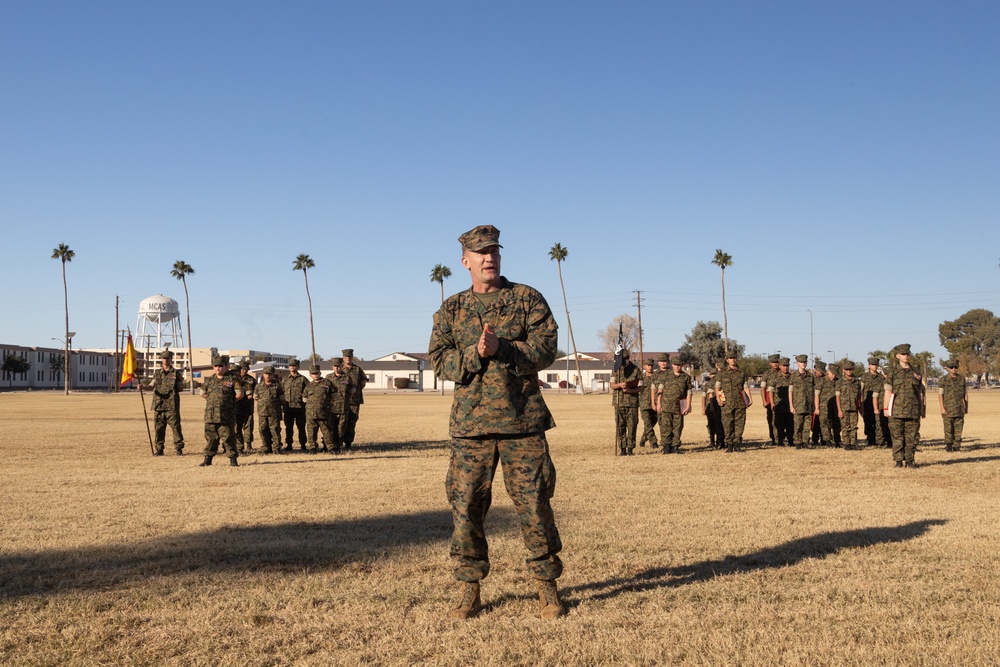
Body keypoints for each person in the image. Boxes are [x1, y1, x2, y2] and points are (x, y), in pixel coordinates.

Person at [428, 224, 565, 620]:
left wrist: (503, 347)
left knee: (535, 504)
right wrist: (475, 353)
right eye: (481, 252)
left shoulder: (526, 299)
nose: (489, 257)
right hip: (471, 428)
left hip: (522, 422)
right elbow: (440, 362)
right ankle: (469, 590)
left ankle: (547, 588)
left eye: (494, 250)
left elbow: (546, 349)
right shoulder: (451, 309)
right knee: (466, 505)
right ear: (465, 260)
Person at [883, 343, 924, 468]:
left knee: (911, 437)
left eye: (907, 354)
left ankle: (910, 460)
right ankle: (899, 461)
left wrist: (922, 408)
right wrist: (885, 408)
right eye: (903, 354)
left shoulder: (916, 372)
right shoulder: (893, 372)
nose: (906, 356)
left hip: (913, 410)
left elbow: (920, 392)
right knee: (897, 437)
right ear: (897, 356)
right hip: (896, 410)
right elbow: (888, 391)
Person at [200, 354, 244, 467]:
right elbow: (202, 393)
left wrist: (229, 402)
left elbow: (240, 394)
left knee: (229, 438)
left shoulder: (232, 379)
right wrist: (212, 400)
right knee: (211, 438)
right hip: (211, 415)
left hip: (226, 415)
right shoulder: (210, 380)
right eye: (216, 366)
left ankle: (233, 460)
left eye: (220, 366)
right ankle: (207, 459)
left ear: (225, 367)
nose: (218, 368)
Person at [150, 349, 185, 456]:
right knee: (159, 428)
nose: (165, 360)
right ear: (161, 359)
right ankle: (159, 449)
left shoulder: (176, 373)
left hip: (172, 406)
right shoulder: (157, 373)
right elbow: (152, 385)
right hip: (159, 405)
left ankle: (178, 448)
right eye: (164, 358)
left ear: (171, 359)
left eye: (167, 358)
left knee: (176, 428)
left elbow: (180, 388)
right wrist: (142, 387)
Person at [716, 350, 752, 453]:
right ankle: (729, 444)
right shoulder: (722, 373)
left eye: (734, 358)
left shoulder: (742, 372)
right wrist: (718, 399)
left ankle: (737, 444)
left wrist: (749, 398)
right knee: (728, 424)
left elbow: (745, 386)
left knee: (739, 424)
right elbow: (717, 387)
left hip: (740, 402)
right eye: (730, 358)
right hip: (727, 403)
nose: (733, 360)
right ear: (727, 360)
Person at [656, 355, 692, 454]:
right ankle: (667, 447)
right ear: (672, 365)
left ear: (681, 365)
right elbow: (660, 390)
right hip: (666, 406)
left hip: (679, 407)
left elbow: (689, 392)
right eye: (675, 365)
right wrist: (658, 404)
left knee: (678, 427)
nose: (677, 367)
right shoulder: (665, 375)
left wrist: (688, 406)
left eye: (679, 365)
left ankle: (675, 446)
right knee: (666, 427)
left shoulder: (686, 377)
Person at [610, 350, 642, 455]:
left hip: (632, 403)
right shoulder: (616, 370)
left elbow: (641, 387)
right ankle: (622, 448)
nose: (623, 363)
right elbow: (612, 385)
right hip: (619, 402)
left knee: (632, 426)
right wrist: (619, 385)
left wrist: (630, 390)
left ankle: (630, 449)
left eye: (625, 360)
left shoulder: (636, 370)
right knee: (620, 426)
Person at [303, 365, 335, 454]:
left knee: (327, 432)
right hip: (311, 413)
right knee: (311, 432)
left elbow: (334, 395)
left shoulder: (327, 383)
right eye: (313, 374)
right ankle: (312, 448)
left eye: (317, 373)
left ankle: (330, 448)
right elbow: (304, 397)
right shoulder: (309, 385)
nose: (315, 375)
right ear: (310, 375)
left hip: (323, 413)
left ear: (320, 373)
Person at [938, 359, 968, 452]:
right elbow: (940, 394)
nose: (954, 369)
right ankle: (949, 445)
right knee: (948, 428)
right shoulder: (943, 380)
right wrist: (942, 407)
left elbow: (965, 394)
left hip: (959, 408)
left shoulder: (962, 379)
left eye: (955, 367)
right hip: (948, 408)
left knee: (958, 428)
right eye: (951, 367)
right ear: (947, 368)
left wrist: (966, 406)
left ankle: (957, 446)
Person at [281, 358, 309, 451]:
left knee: (301, 427)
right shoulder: (285, 379)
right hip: (288, 408)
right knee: (288, 428)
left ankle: (303, 444)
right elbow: (281, 392)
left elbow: (308, 391)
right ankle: (289, 444)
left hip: (300, 408)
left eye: (294, 366)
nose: (292, 367)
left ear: (298, 367)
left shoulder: (303, 379)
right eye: (291, 366)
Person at [254, 365, 283, 454]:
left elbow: (282, 399)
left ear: (273, 374)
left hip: (274, 412)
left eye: (270, 374)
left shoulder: (277, 386)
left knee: (274, 429)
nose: (268, 376)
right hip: (262, 412)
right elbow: (256, 397)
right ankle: (265, 446)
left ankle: (277, 447)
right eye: (266, 374)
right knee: (263, 429)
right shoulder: (258, 386)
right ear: (263, 374)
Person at [325, 358, 352, 453]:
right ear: (332, 367)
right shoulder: (328, 378)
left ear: (342, 366)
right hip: (331, 408)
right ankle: (329, 446)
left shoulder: (347, 378)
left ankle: (338, 446)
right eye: (335, 366)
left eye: (339, 366)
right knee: (330, 428)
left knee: (341, 429)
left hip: (343, 408)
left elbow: (351, 392)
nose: (337, 368)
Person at [788, 354, 814, 448]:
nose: (803, 364)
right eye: (801, 362)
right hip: (797, 405)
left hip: (808, 404)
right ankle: (798, 442)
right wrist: (791, 405)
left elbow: (814, 391)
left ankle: (805, 442)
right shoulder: (793, 376)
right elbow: (790, 392)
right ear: (797, 363)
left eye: (804, 362)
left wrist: (814, 405)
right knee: (798, 425)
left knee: (807, 426)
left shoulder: (810, 376)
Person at [861, 357, 888, 448]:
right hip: (867, 402)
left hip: (878, 402)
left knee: (878, 422)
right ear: (869, 366)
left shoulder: (880, 377)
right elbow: (861, 390)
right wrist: (861, 402)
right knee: (868, 422)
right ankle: (870, 439)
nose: (875, 366)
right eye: (873, 365)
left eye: (876, 365)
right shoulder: (864, 376)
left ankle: (879, 440)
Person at [835, 361, 862, 448]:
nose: (849, 371)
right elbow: (838, 397)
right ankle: (846, 443)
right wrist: (839, 409)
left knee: (854, 427)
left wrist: (861, 408)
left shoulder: (857, 382)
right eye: (847, 369)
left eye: (850, 369)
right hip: (844, 408)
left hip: (854, 408)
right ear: (843, 370)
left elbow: (859, 397)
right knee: (845, 427)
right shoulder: (840, 382)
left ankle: (853, 443)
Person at [768, 357, 793, 446]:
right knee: (779, 423)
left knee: (790, 423)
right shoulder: (774, 377)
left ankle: (791, 440)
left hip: (790, 405)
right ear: (780, 366)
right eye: (784, 366)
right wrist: (772, 403)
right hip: (779, 404)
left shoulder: (792, 377)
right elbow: (770, 390)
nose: (786, 368)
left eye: (787, 366)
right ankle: (779, 441)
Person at [234, 360, 257, 453]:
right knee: (236, 427)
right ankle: (238, 445)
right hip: (236, 406)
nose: (244, 371)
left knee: (248, 426)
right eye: (242, 369)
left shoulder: (251, 380)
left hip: (247, 406)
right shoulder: (234, 379)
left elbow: (256, 391)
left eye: (246, 369)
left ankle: (248, 444)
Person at [638, 358, 659, 449]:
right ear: (644, 366)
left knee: (652, 424)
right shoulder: (640, 378)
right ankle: (653, 442)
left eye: (651, 365)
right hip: (644, 405)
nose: (650, 367)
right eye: (648, 365)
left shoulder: (657, 377)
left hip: (655, 404)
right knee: (647, 423)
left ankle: (643, 438)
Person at [760, 353, 780, 445]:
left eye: (777, 362)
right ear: (770, 363)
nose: (776, 364)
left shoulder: (783, 372)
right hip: (770, 401)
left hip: (782, 401)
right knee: (771, 420)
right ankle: (773, 438)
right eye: (773, 362)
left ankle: (782, 438)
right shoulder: (767, 374)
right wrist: (764, 400)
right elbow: (763, 388)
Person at [702, 366, 724, 448]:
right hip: (710, 407)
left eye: (715, 374)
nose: (713, 376)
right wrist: (703, 408)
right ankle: (712, 441)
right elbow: (704, 397)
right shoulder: (707, 385)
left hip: (719, 406)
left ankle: (720, 441)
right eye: (712, 374)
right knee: (711, 425)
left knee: (719, 425)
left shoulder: (720, 383)